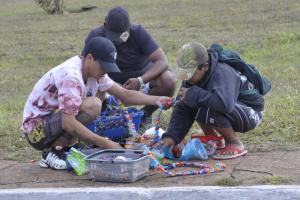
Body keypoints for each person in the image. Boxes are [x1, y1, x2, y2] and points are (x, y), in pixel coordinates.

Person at [22, 37, 172, 169]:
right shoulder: (71, 77)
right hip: (36, 131)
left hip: (52, 122)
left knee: (96, 102)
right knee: (93, 105)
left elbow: (124, 95)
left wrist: (157, 100)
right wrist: (105, 143)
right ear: (89, 58)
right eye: (104, 66)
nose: (105, 71)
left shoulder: (94, 73)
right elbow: (68, 123)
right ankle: (53, 151)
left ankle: (68, 147)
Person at [155, 42, 265, 160]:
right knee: (195, 100)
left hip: (251, 112)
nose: (187, 77)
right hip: (233, 108)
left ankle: (234, 143)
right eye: (184, 73)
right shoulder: (192, 78)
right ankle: (214, 139)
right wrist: (172, 137)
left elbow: (225, 105)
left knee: (205, 104)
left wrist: (194, 94)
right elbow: (183, 107)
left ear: (205, 66)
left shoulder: (222, 73)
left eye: (190, 74)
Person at [82, 6, 176, 127]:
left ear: (129, 27)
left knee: (168, 81)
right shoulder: (96, 36)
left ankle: (144, 115)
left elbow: (162, 60)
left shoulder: (138, 32)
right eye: (113, 36)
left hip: (141, 80)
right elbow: (85, 67)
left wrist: (140, 80)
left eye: (121, 35)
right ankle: (104, 120)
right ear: (105, 24)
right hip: (109, 84)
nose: (117, 41)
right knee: (94, 87)